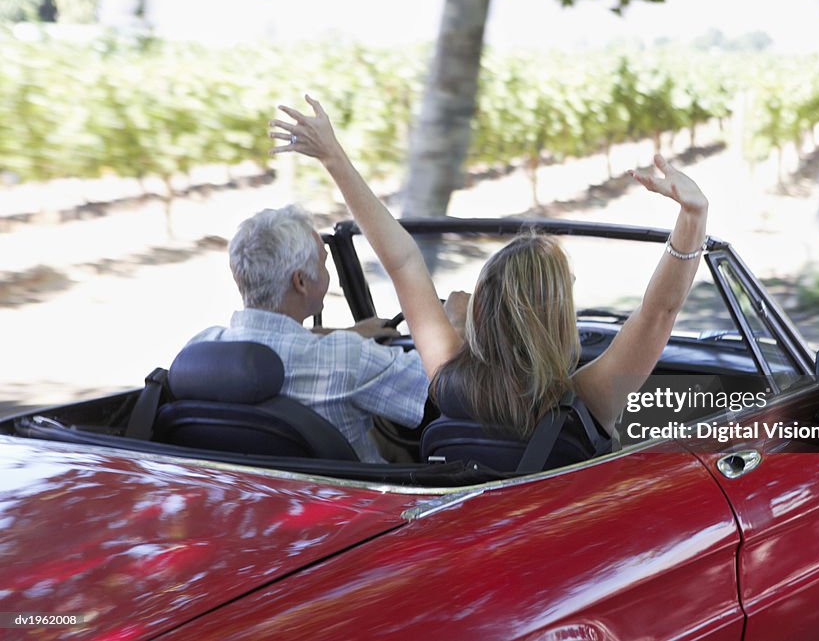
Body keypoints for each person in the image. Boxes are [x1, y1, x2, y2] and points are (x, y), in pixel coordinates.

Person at [270, 95, 708, 452]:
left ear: (484, 306)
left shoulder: (446, 379)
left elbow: (402, 262)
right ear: (558, 315)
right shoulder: (589, 400)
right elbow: (658, 313)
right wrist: (693, 215)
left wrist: (333, 158)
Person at [186, 204, 448, 463]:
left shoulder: (200, 353)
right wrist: (456, 321)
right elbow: (443, 380)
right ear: (301, 282)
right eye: (324, 261)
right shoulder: (348, 359)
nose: (327, 271)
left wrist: (342, 332)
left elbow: (270, 339)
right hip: (363, 501)